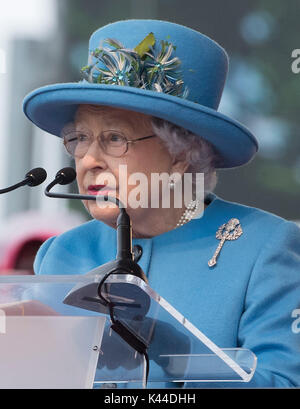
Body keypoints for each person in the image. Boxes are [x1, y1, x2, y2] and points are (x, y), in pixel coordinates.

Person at [22, 19, 300, 388]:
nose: (88, 159)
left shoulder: (264, 247)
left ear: (181, 152)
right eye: (80, 138)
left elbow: (283, 383)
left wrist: (170, 346)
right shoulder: (61, 252)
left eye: (115, 137)